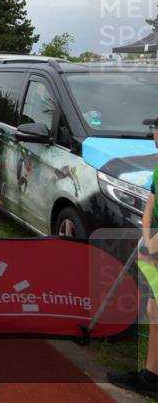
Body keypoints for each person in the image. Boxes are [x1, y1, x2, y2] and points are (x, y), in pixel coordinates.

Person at [108, 115, 158, 396]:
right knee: (154, 310)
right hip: (153, 245)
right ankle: (151, 376)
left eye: (155, 128)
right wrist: (148, 235)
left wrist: (154, 244)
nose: (153, 133)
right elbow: (152, 199)